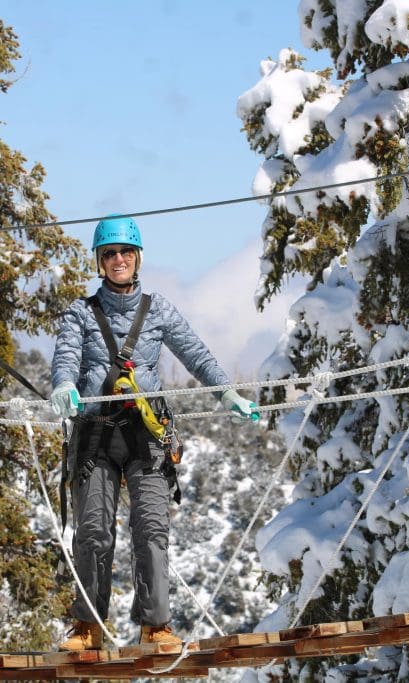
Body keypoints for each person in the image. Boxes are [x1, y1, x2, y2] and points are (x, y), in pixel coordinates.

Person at [49, 215, 259, 651]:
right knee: (93, 530)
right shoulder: (80, 313)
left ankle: (155, 626)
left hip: (147, 433)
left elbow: (196, 355)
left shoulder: (157, 310)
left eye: (125, 252)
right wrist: (64, 385)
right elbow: (66, 356)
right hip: (95, 434)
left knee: (151, 528)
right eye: (110, 253)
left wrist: (227, 395)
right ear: (100, 261)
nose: (118, 259)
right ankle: (87, 627)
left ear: (138, 257)